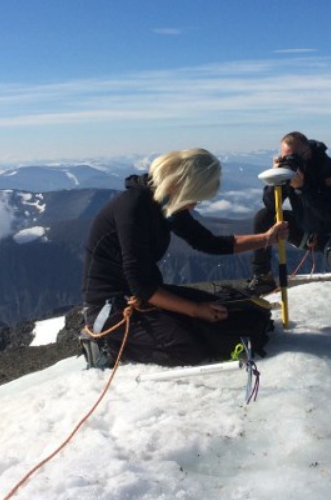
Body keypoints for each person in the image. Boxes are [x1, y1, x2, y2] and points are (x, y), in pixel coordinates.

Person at [81, 148, 288, 368]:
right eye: (196, 197)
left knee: (230, 313)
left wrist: (267, 238)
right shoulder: (133, 207)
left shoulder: (165, 203)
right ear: (183, 186)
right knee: (189, 348)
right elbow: (141, 284)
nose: (194, 204)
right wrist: (196, 310)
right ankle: (106, 345)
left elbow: (209, 243)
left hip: (143, 294)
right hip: (109, 307)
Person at [247, 131, 331, 294]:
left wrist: (303, 188)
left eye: (293, 157)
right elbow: (271, 204)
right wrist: (276, 179)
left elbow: (330, 214)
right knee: (264, 217)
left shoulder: (330, 169)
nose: (290, 161)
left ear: (307, 152)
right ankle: (262, 277)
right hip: (305, 228)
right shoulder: (291, 170)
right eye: (285, 156)